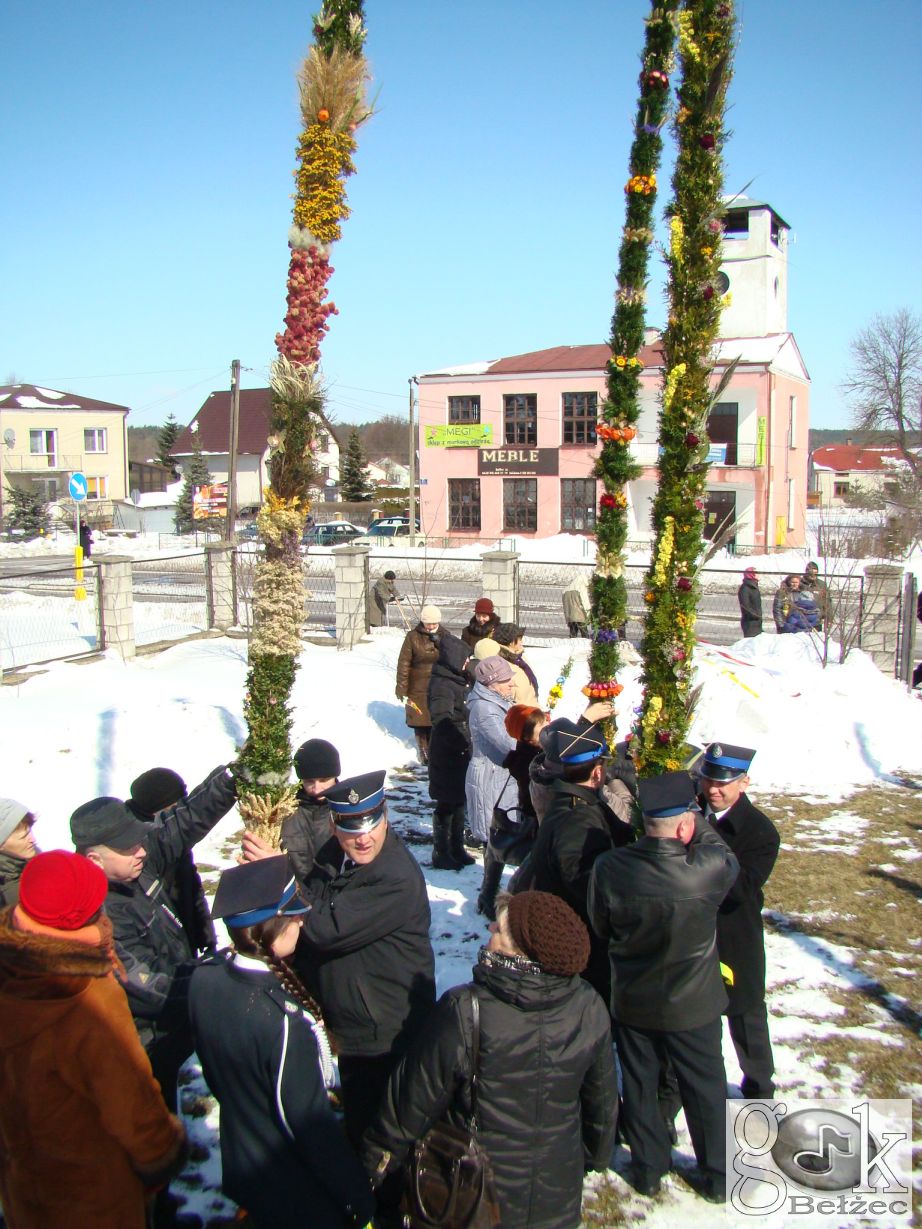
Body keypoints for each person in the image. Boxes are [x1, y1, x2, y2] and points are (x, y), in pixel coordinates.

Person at [363, 891, 617, 1229]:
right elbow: (602, 1105)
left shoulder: (465, 1011)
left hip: (476, 1196)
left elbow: (409, 1106)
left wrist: (375, 1168)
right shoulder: (589, 1005)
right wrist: (594, 1157)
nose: (489, 930)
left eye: (498, 929)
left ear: (519, 952)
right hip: (556, 1194)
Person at [0, 850, 186, 1228]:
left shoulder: (10, 964)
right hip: (94, 1190)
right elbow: (128, 1096)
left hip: (23, 1185)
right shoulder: (87, 995)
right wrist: (161, 1152)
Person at [188, 857, 375, 1229]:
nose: (302, 921)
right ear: (269, 928)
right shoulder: (284, 1022)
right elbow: (306, 1125)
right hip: (293, 1187)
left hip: (243, 1161)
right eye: (294, 915)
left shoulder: (204, 979)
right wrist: (357, 1198)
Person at [588, 771, 739, 1201]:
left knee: (639, 1083)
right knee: (705, 1088)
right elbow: (725, 855)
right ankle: (717, 1175)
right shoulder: (706, 869)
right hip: (694, 1004)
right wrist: (696, 817)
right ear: (686, 827)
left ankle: (648, 1168)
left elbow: (601, 925)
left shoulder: (609, 867)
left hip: (634, 998)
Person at [70, 773, 237, 1112]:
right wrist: (216, 983)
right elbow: (144, 986)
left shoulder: (135, 864)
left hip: (177, 1017)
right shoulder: (97, 918)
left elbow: (182, 822)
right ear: (94, 860)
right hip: (144, 1043)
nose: (142, 851)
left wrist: (235, 777)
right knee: (156, 1117)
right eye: (129, 847)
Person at [296, 771, 436, 1148]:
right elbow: (315, 896)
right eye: (351, 826)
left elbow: (323, 928)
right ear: (333, 825)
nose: (364, 837)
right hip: (355, 1022)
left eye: (372, 822)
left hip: (383, 1035)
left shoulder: (395, 877)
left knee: (380, 1139)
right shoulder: (334, 854)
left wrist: (280, 884)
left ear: (385, 817)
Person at [522, 718, 633, 1002]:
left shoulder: (572, 802)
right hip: (577, 942)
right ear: (597, 773)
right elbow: (585, 886)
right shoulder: (577, 819)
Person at [697, 742, 780, 1099]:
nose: (713, 790)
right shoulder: (689, 812)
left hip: (734, 937)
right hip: (692, 938)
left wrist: (700, 842)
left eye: (723, 783)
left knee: (747, 1022)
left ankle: (759, 1094)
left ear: (744, 782)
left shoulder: (759, 832)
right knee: (695, 1025)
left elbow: (739, 889)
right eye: (708, 780)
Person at [127, 763, 239, 956]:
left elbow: (191, 889)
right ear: (157, 808)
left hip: (185, 942)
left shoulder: (174, 844)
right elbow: (194, 816)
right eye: (177, 805)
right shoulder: (147, 845)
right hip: (163, 953)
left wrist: (206, 937)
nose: (180, 809)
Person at [477, 705, 544, 920]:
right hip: (533, 816)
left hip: (532, 813)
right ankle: (498, 898)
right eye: (540, 726)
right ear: (527, 735)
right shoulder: (530, 758)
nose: (546, 728)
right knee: (530, 862)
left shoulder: (530, 752)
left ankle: (490, 894)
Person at [426, 633, 475, 871]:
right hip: (447, 752)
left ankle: (457, 847)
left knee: (459, 800)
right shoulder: (442, 685)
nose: (468, 663)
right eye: (465, 659)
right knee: (446, 802)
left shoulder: (458, 679)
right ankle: (441, 850)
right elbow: (441, 719)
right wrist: (459, 741)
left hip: (460, 750)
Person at [465, 656, 517, 846]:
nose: (512, 683)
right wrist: (536, 737)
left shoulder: (499, 701)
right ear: (491, 683)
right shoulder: (484, 709)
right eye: (505, 680)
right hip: (489, 778)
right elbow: (508, 743)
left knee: (504, 835)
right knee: (493, 836)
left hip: (499, 776)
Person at [395, 604, 443, 764]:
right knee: (420, 719)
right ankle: (424, 751)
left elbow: (451, 658)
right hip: (417, 685)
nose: (431, 627)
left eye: (434, 623)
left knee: (436, 718)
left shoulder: (445, 635)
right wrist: (402, 686)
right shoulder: (412, 637)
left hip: (438, 683)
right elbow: (404, 663)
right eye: (428, 623)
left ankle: (435, 748)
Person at [0, 797, 39, 905]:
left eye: (30, 831)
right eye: (23, 836)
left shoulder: (39, 860)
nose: (33, 840)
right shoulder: (6, 895)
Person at [493, 622, 540, 707]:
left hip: (531, 710)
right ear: (511, 642)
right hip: (521, 713)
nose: (522, 642)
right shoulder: (502, 665)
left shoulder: (519, 658)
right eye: (520, 639)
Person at [562, 572, 591, 637]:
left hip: (571, 617)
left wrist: (567, 619)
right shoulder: (581, 589)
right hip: (581, 616)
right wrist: (588, 616)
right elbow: (585, 603)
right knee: (585, 636)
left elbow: (565, 607)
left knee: (573, 635)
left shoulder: (565, 590)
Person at [800, 561, 829, 629]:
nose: (813, 576)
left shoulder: (822, 585)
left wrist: (828, 618)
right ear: (806, 572)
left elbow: (827, 602)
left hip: (817, 619)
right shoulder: (799, 583)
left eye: (815, 574)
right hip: (801, 619)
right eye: (811, 573)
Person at [737, 566, 763, 637]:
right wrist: (756, 616)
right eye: (756, 573)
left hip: (757, 622)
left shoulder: (754, 587)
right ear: (751, 574)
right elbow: (745, 606)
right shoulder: (745, 588)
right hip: (750, 622)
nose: (759, 575)